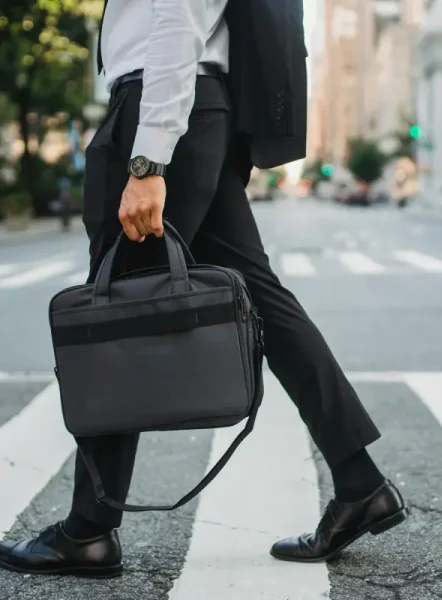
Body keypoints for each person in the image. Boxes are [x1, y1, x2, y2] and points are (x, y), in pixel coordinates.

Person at [0, 0, 409, 578]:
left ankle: (87, 530)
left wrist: (147, 162)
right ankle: (359, 480)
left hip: (162, 105)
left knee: (118, 310)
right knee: (259, 297)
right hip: (192, 107)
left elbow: (175, 17)